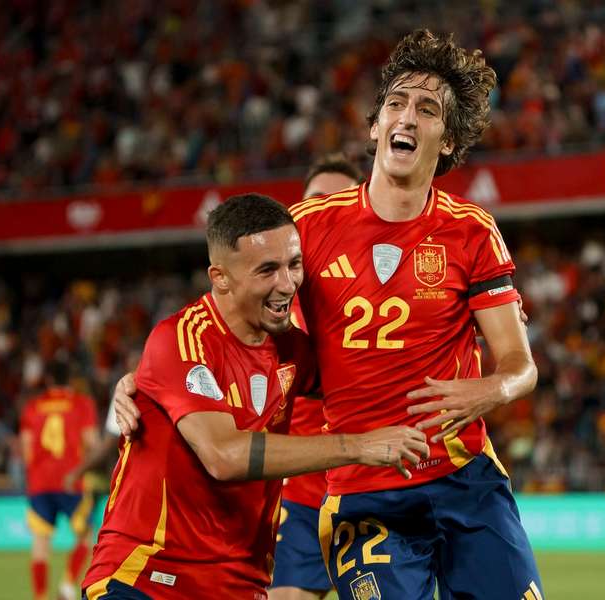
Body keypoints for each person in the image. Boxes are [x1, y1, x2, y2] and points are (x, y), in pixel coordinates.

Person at [116, 30, 542, 600]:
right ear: (374, 127)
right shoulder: (309, 226)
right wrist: (146, 380)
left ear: (449, 140)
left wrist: (492, 390)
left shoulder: (471, 232)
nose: (407, 118)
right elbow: (228, 322)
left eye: (426, 109)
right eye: (395, 103)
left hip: (464, 476)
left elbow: (520, 363)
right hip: (364, 489)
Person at [82, 194, 429, 600]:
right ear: (221, 277)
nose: (287, 284)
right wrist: (357, 446)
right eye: (268, 270)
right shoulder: (181, 339)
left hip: (240, 585)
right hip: (148, 578)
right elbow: (224, 456)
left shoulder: (292, 350)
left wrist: (467, 326)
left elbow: (376, 374)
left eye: (294, 265)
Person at [269, 154, 364, 600]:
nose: (323, 212)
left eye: (338, 201)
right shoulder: (264, 297)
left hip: (375, 492)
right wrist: (133, 384)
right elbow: (198, 347)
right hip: (300, 498)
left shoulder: (391, 287)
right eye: (314, 202)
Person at [20, 360, 99, 600]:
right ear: (70, 381)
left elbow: (26, 450)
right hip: (70, 480)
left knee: (41, 544)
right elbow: (92, 443)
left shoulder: (32, 407)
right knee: (85, 535)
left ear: (48, 381)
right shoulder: (81, 404)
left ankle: (40, 597)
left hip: (40, 483)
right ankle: (66, 586)